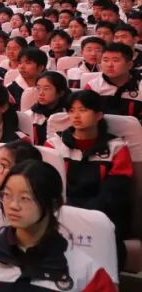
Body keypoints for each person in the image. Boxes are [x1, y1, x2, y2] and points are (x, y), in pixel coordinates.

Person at [0, 161, 116, 292]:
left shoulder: (85, 272)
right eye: (7, 195)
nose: (13, 205)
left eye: (25, 198)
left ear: (54, 204)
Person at [45, 89, 133, 256]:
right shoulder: (55, 144)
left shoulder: (116, 147)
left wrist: (85, 216)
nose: (76, 116)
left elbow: (116, 191)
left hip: (103, 214)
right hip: (62, 212)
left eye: (83, 110)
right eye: (71, 111)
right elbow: (48, 184)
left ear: (99, 115)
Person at [24, 71, 70, 145]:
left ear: (60, 92)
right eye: (38, 88)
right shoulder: (28, 115)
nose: (41, 93)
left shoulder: (68, 116)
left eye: (46, 89)